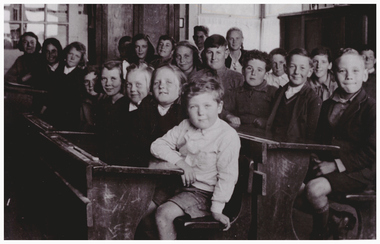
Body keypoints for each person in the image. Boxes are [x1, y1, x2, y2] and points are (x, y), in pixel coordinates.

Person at [150, 78, 241, 240]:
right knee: (142, 207)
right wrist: (181, 163)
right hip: (178, 184)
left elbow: (227, 176)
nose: (201, 112)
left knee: (163, 214)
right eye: (194, 106)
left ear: (219, 107)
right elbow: (157, 146)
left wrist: (217, 209)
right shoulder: (185, 125)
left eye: (207, 106)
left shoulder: (227, 135)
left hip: (204, 193)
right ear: (187, 108)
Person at [302, 48, 375, 240]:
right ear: (334, 75)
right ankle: (335, 218)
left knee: (313, 190)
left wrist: (335, 165)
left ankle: (321, 233)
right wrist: (316, 157)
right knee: (290, 184)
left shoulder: (372, 108)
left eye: (355, 71)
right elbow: (320, 140)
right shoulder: (327, 104)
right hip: (328, 167)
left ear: (366, 74)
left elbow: (373, 151)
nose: (349, 76)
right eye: (343, 71)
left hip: (360, 171)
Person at [131, 64, 187, 166]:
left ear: (180, 89)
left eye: (169, 82)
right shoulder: (145, 108)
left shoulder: (184, 113)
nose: (161, 86)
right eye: (156, 83)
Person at [266, 48, 322, 140]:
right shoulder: (279, 93)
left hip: (296, 150)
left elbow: (311, 135)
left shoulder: (313, 100)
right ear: (286, 68)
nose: (296, 72)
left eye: (302, 68)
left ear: (310, 72)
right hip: (274, 145)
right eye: (292, 66)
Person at [224, 50, 277, 129]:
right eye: (249, 68)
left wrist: (268, 121)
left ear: (266, 74)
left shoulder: (273, 92)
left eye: (259, 70)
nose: (253, 73)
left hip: (264, 136)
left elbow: (280, 118)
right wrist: (229, 116)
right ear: (243, 71)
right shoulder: (236, 92)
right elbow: (222, 109)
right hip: (240, 134)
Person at [45, 41, 87, 130]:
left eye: (77, 56)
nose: (72, 58)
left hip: (70, 117)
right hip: (52, 113)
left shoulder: (81, 75)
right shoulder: (57, 71)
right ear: (66, 54)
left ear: (80, 59)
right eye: (70, 54)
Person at [95, 60, 131, 165]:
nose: (108, 84)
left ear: (122, 80)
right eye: (104, 79)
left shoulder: (128, 105)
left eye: (113, 79)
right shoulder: (104, 103)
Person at [32, 37, 63, 114]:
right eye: (47, 51)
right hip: (42, 110)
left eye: (53, 51)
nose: (50, 55)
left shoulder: (65, 68)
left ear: (59, 51)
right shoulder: (40, 69)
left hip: (60, 110)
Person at [79, 65, 105, 132]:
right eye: (86, 81)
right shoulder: (84, 103)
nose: (91, 85)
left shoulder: (107, 100)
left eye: (94, 80)